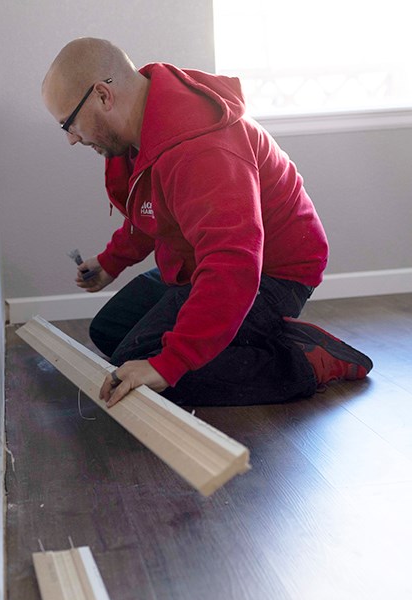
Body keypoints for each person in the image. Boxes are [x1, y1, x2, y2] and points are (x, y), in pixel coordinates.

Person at [41, 37, 372, 408]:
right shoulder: (137, 129)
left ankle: (302, 359)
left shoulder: (202, 149)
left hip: (271, 272)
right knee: (110, 331)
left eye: (69, 123)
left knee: (151, 369)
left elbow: (234, 263)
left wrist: (170, 363)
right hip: (203, 262)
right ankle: (248, 333)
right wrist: (110, 262)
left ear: (103, 96)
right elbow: (151, 207)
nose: (71, 139)